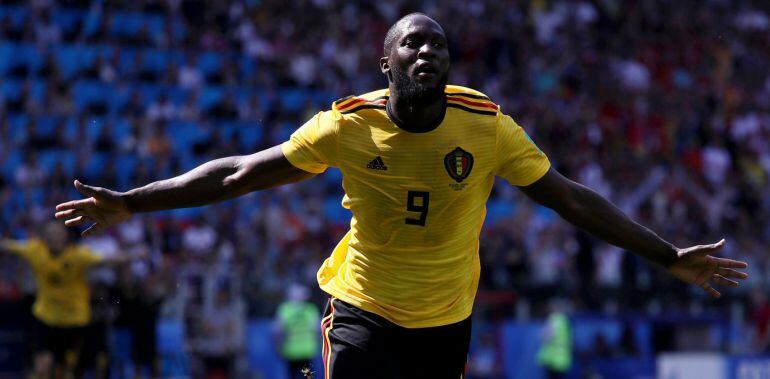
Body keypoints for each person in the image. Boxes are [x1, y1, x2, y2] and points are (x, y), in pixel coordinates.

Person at [55, 13, 750, 379]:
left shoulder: (487, 127)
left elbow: (569, 198)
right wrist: (132, 202)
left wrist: (666, 255)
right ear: (385, 62)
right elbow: (239, 172)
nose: (428, 56)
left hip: (446, 323)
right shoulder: (348, 125)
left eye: (439, 49)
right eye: (413, 46)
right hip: (363, 310)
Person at [0, 221, 140, 378]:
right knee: (42, 366)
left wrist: (134, 254)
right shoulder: (35, 250)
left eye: (58, 233)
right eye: (50, 233)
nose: (54, 237)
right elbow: (8, 246)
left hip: (74, 321)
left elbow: (108, 259)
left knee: (65, 372)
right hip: (45, 317)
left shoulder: (78, 255)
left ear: (65, 236)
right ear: (45, 236)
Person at [274, 284, 320, 379]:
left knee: (292, 376)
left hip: (291, 351)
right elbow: (317, 330)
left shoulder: (285, 309)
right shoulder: (311, 309)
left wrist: (278, 347)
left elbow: (278, 331)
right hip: (308, 350)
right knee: (308, 376)